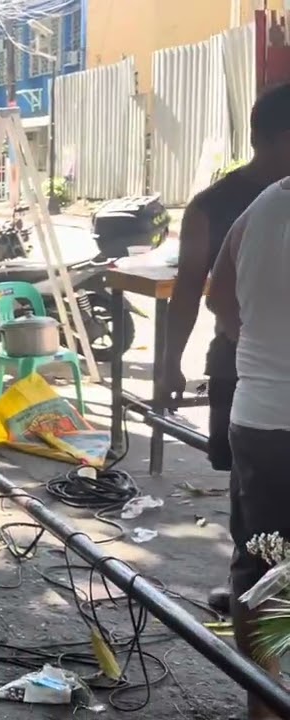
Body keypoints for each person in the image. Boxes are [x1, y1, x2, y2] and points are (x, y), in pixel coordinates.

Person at [159, 83, 290, 614]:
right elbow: (194, 290)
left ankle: (254, 596)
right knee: (252, 503)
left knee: (259, 505)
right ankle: (252, 595)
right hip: (246, 373)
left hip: (257, 379)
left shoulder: (249, 203)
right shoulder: (215, 204)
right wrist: (170, 362)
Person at [207, 175, 290, 720]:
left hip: (262, 418)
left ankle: (263, 703)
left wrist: (261, 352)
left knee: (264, 563)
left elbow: (217, 293)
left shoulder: (265, 203)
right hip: (263, 414)